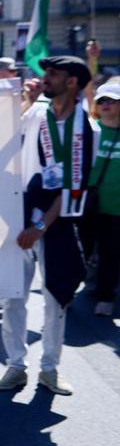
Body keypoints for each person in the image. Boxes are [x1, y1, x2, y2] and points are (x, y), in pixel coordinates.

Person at [0, 55, 99, 396]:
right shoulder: (37, 114)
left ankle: (50, 369)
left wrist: (39, 227)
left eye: (52, 74)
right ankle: (15, 366)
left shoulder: (88, 130)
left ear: (71, 82)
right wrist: (22, 99)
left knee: (56, 300)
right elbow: (4, 135)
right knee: (13, 296)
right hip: (22, 213)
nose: (45, 78)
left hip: (57, 223)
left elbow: (72, 187)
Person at [89, 80, 120, 317]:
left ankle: (106, 296)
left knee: (110, 252)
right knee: (89, 251)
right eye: (102, 101)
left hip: (116, 208)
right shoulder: (89, 130)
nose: (106, 105)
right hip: (90, 206)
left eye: (111, 100)